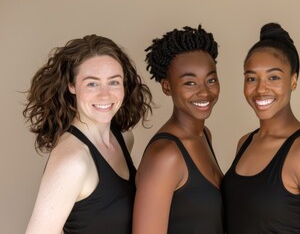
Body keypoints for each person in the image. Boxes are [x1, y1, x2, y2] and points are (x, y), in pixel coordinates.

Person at [23, 34, 152, 234]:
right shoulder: (73, 161)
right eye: (92, 83)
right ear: (71, 86)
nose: (105, 94)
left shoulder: (124, 138)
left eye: (114, 82)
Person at [221, 22, 300, 233]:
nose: (260, 89)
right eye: (251, 78)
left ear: (293, 80)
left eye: (273, 77)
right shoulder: (245, 142)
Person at [133, 25, 224, 234]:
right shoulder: (165, 155)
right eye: (190, 83)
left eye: (211, 80)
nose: (204, 92)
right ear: (167, 87)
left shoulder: (203, 135)